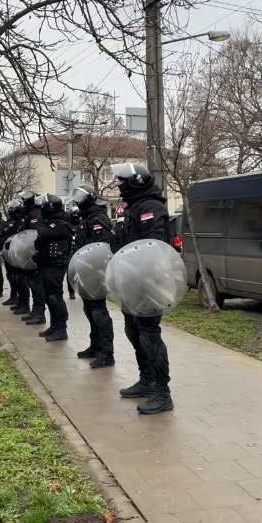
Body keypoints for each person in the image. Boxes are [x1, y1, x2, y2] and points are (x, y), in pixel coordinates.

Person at [110, 162, 173, 414]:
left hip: (149, 282)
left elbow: (153, 245)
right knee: (133, 330)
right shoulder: (132, 207)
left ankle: (162, 393)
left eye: (123, 181)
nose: (119, 185)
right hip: (131, 281)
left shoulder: (150, 207)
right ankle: (146, 380)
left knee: (149, 335)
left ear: (135, 182)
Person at [67, 185, 115, 369]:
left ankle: (107, 353)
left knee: (98, 311)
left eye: (81, 198)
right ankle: (95, 346)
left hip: (96, 271)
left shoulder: (99, 218)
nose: (78, 202)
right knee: (89, 309)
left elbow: (100, 247)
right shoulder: (86, 217)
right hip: (85, 270)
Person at [34, 194, 71, 341]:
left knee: (55, 298)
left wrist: (38, 220)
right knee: (48, 297)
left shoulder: (60, 223)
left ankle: (61, 329)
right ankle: (54, 326)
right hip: (46, 265)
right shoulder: (50, 222)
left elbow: (43, 233)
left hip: (55, 267)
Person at [15, 188, 46, 325]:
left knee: (37, 285)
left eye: (25, 199)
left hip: (34, 254)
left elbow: (34, 234)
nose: (23, 202)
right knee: (32, 283)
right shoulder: (29, 213)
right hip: (29, 253)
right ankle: (35, 311)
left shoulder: (35, 213)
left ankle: (39, 314)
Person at [0, 199, 22, 306]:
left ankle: (20, 300)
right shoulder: (9, 223)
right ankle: (14, 297)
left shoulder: (19, 222)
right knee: (11, 276)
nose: (9, 210)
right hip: (8, 254)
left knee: (18, 278)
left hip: (16, 254)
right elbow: (3, 238)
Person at [65, 204, 81, 299]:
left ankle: (81, 289)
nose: (75, 217)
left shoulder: (82, 225)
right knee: (70, 272)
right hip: (70, 251)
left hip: (80, 251)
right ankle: (71, 291)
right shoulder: (67, 226)